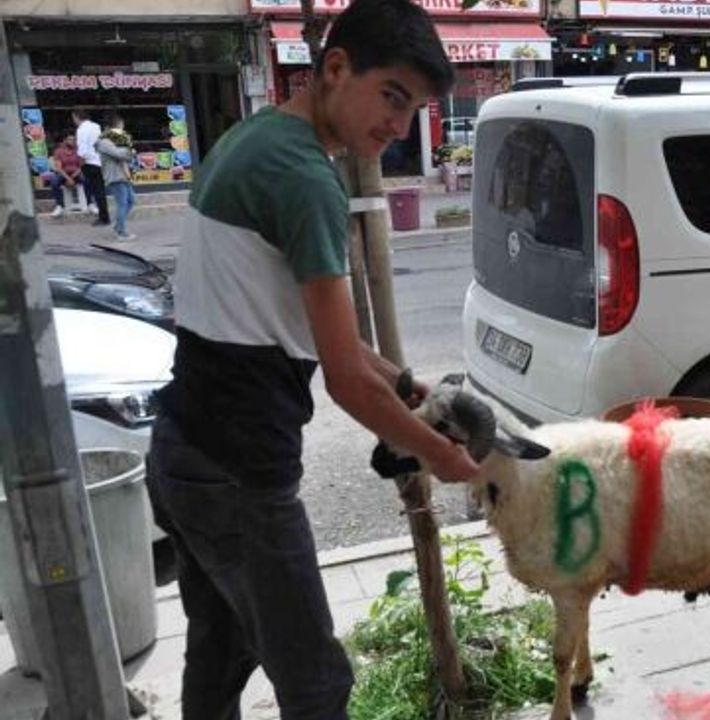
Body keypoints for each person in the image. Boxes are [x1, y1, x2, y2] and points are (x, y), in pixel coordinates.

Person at [145, 1, 478, 716]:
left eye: (413, 108)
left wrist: (410, 385)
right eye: (392, 96)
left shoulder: (255, 138)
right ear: (334, 67)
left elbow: (305, 330)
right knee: (319, 683)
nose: (397, 125)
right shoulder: (306, 179)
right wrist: (440, 455)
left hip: (181, 453)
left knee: (220, 650)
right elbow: (348, 383)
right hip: (239, 475)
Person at [96, 114, 137, 241]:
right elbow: (118, 154)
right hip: (115, 176)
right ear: (109, 128)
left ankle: (118, 226)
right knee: (123, 204)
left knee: (131, 201)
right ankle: (121, 232)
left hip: (123, 175)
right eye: (119, 127)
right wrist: (130, 151)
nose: (121, 130)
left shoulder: (116, 140)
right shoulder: (104, 142)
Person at [72, 107, 111, 227]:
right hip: (99, 161)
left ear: (77, 117)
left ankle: (103, 217)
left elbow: (83, 151)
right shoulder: (96, 126)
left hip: (89, 163)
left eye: (73, 117)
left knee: (95, 190)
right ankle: (104, 216)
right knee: (101, 190)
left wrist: (80, 165)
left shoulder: (81, 130)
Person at [48, 132, 84, 217]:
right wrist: (68, 179)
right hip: (64, 174)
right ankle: (60, 206)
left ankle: (91, 203)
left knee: (88, 180)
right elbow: (59, 168)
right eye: (70, 139)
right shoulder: (59, 151)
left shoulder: (79, 150)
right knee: (54, 181)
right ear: (65, 141)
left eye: (74, 140)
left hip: (76, 173)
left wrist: (73, 177)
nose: (73, 141)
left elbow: (81, 166)